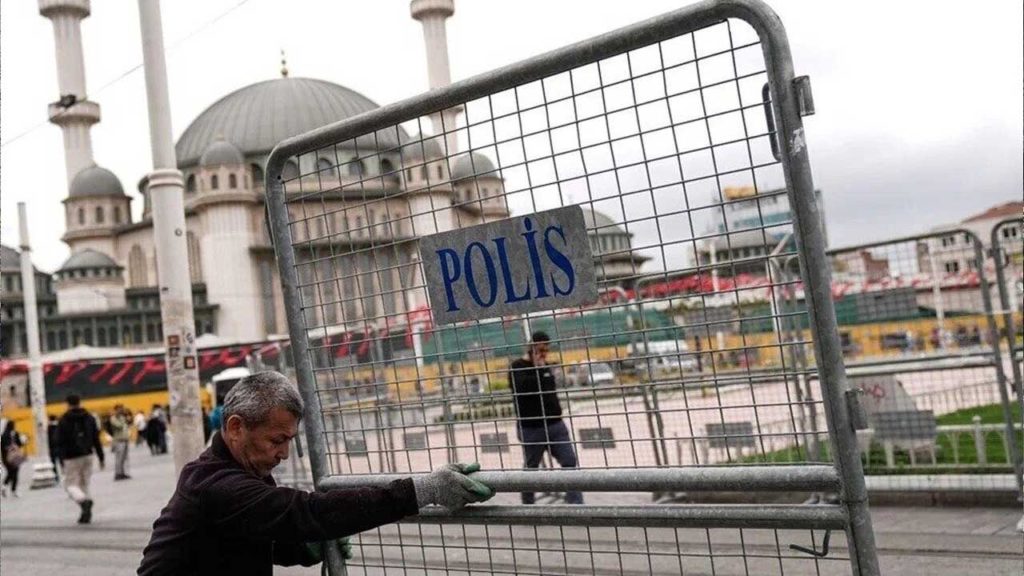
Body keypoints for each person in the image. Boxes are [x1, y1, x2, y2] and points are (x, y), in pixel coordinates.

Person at [137, 371, 494, 575]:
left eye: (289, 440)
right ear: (235, 427)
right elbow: (307, 512)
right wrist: (422, 490)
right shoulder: (215, 484)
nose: (284, 454)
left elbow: (242, 541)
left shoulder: (243, 473)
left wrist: (301, 550)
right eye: (277, 440)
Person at [509, 332, 583, 504]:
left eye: (546, 349)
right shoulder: (517, 367)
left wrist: (542, 368)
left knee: (569, 461)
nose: (544, 353)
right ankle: (528, 505)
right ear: (531, 348)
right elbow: (525, 388)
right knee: (531, 466)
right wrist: (538, 368)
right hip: (531, 427)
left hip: (555, 424)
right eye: (540, 349)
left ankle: (576, 504)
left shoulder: (546, 367)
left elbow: (550, 389)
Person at [57, 394, 105, 523]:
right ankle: (85, 514)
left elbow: (59, 442)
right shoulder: (89, 417)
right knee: (84, 484)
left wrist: (61, 460)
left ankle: (84, 502)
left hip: (71, 456)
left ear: (68, 403)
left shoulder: (64, 419)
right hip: (88, 454)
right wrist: (101, 457)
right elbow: (96, 438)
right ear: (79, 402)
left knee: (70, 485)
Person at [1, 420, 26, 498]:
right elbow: (19, 444)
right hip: (11, 457)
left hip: (9, 457)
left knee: (12, 472)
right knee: (13, 473)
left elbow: (19, 444)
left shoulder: (6, 434)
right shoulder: (9, 434)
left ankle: (6, 488)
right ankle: (11, 490)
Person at [110, 404, 132, 480]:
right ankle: (118, 473)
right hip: (118, 441)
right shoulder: (113, 418)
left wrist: (127, 419)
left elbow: (128, 424)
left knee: (124, 458)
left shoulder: (122, 417)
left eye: (122, 409)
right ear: (116, 410)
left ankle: (123, 472)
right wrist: (125, 420)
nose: (121, 410)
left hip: (125, 439)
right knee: (119, 458)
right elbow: (119, 426)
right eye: (120, 409)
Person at [47, 414, 62, 481]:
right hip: (60, 447)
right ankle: (65, 474)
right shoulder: (59, 426)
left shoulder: (49, 427)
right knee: (62, 462)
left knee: (53, 464)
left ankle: (56, 477)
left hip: (53, 448)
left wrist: (49, 449)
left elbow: (49, 440)